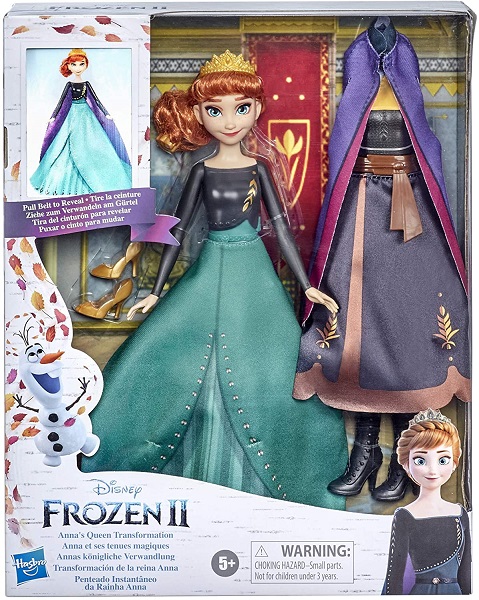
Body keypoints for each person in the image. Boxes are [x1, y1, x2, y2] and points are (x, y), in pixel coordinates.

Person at [82, 51, 346, 509]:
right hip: (211, 262)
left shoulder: (259, 168)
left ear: (257, 110)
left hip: (253, 271)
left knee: (269, 359)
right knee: (171, 347)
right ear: (200, 114)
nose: (229, 121)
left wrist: (306, 284)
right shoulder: (201, 171)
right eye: (215, 110)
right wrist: (156, 292)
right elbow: (178, 228)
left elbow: (281, 228)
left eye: (241, 108)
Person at [294, 18, 470, 502]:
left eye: (391, 52)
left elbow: (429, 154)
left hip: (411, 212)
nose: (382, 59)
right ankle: (366, 450)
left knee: (409, 327)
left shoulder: (410, 98)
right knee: (358, 330)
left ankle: (403, 456)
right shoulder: (354, 103)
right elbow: (342, 156)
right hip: (362, 212)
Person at [382, 410, 471, 594]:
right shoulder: (405, 516)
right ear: (406, 465)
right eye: (420, 460)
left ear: (454, 463)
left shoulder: (459, 513)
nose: (432, 470)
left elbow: (466, 573)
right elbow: (394, 575)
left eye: (443, 460)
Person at [30, 48, 131, 196]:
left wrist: (106, 113)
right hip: (72, 115)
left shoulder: (86, 84)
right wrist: (54, 116)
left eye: (81, 64)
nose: (78, 67)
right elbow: (61, 102)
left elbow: (96, 100)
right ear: (69, 66)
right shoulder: (69, 85)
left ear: (86, 65)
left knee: (93, 143)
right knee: (63, 143)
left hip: (86, 116)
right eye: (74, 64)